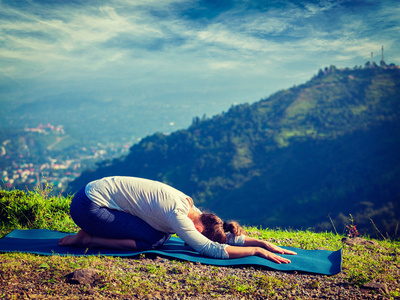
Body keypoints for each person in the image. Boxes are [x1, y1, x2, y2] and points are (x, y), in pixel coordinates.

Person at [59, 176, 296, 264]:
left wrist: (262, 242)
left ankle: (90, 234)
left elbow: (223, 234)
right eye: (191, 236)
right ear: (196, 228)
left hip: (93, 193)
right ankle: (87, 238)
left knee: (159, 234)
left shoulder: (193, 208)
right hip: (88, 207)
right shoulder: (178, 215)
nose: (187, 240)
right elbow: (211, 249)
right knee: (153, 240)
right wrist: (256, 252)